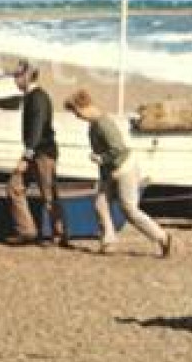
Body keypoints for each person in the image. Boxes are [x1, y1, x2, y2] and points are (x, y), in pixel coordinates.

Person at [65, 88, 172, 257]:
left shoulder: (103, 124)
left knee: (129, 210)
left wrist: (102, 159)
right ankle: (109, 242)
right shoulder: (94, 125)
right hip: (111, 172)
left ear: (83, 107)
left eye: (76, 112)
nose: (77, 117)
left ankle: (161, 237)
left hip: (124, 170)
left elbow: (118, 149)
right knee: (100, 203)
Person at [5, 61, 65, 247]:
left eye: (17, 75)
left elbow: (37, 129)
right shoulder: (31, 96)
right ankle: (27, 231)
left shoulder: (37, 97)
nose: (15, 79)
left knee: (48, 195)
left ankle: (60, 235)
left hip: (42, 154)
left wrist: (26, 156)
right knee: (15, 186)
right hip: (35, 152)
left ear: (27, 76)